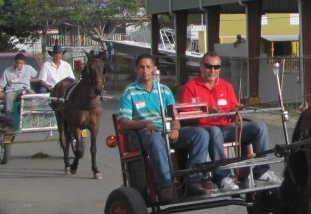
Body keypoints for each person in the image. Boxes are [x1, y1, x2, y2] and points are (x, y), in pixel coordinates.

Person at [178, 52, 281, 191]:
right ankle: (222, 176)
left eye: (216, 67)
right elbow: (185, 115)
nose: (212, 70)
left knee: (260, 127)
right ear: (201, 66)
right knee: (214, 131)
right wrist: (207, 112)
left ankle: (261, 172)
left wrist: (237, 109)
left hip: (226, 127)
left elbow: (233, 110)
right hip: (204, 129)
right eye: (208, 66)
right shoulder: (191, 86)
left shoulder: (226, 86)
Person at [117, 54, 212, 202]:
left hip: (166, 131)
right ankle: (166, 186)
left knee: (201, 134)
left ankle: (194, 182)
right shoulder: (129, 92)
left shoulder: (165, 91)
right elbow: (123, 122)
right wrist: (145, 123)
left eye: (148, 67)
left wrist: (175, 128)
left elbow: (175, 117)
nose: (145, 70)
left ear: (155, 69)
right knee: (155, 138)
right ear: (136, 69)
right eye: (141, 67)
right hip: (144, 134)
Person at [0, 52, 38, 132]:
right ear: (14, 62)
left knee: (32, 94)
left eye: (21, 63)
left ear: (24, 63)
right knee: (8, 97)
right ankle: (10, 122)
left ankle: (34, 117)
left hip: (25, 89)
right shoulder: (7, 71)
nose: (19, 65)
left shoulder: (28, 68)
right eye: (17, 63)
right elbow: (0, 87)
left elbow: (38, 74)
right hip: (13, 90)